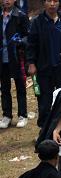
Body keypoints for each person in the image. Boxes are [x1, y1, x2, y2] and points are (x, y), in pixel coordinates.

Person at [26, 0, 61, 128]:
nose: (52, 4)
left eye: (55, 1)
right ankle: (44, 131)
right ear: (44, 3)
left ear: (59, 3)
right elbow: (31, 44)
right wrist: (31, 63)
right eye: (49, 1)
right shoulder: (37, 22)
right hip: (43, 68)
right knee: (44, 101)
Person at [0, 0, 29, 129]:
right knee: (4, 87)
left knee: (20, 87)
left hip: (16, 57)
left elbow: (28, 36)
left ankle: (23, 115)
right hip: (2, 57)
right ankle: (7, 115)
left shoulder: (20, 16)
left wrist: (20, 41)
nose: (6, 0)